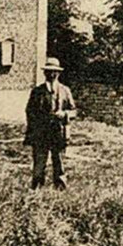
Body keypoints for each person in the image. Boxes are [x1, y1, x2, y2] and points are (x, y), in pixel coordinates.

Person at [25, 56, 75, 190]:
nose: (51, 74)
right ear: (44, 73)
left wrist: (64, 114)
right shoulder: (37, 92)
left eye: (54, 72)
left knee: (59, 162)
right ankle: (36, 189)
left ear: (58, 73)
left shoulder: (65, 91)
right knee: (39, 163)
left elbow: (73, 111)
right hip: (41, 134)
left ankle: (60, 189)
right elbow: (30, 112)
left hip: (58, 133)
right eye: (48, 71)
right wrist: (37, 125)